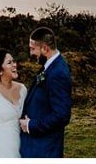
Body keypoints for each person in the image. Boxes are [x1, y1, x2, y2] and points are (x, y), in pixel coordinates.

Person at [19, 27, 72, 158]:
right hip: (36, 146)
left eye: (33, 49)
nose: (31, 53)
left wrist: (31, 125)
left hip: (44, 149)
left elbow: (61, 115)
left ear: (45, 49)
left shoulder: (58, 72)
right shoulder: (49, 67)